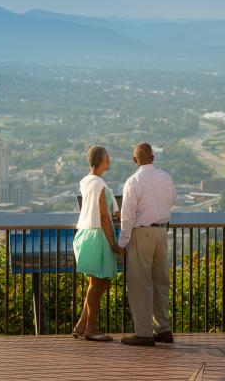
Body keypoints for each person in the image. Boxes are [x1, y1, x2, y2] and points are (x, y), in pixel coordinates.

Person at [118, 143, 177, 346]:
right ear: (153, 157)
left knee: (140, 283)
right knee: (161, 282)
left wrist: (122, 243)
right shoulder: (166, 178)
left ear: (135, 160)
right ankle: (163, 329)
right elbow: (171, 201)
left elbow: (127, 217)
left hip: (141, 233)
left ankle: (143, 333)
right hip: (162, 231)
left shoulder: (133, 181)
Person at [72, 146, 123, 341]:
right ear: (101, 160)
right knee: (100, 282)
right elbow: (103, 217)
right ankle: (91, 328)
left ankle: (82, 324)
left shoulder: (86, 181)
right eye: (107, 158)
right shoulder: (99, 183)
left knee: (96, 282)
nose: (109, 160)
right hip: (98, 234)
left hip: (85, 232)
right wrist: (113, 243)